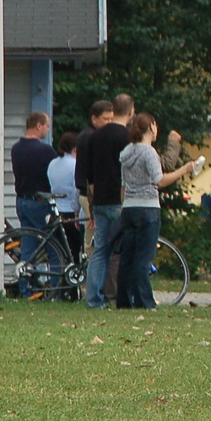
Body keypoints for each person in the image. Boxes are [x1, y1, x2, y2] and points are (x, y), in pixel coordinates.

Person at [117, 113, 202, 310]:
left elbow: (123, 184)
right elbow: (159, 180)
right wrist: (185, 169)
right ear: (152, 128)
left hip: (129, 206)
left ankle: (124, 300)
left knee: (128, 256)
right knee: (144, 257)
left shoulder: (127, 152)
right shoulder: (149, 152)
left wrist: (125, 204)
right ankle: (144, 301)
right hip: (148, 207)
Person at [80, 96, 132, 309]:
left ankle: (93, 298)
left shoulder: (94, 137)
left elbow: (89, 175)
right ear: (130, 112)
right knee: (125, 249)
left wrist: (93, 202)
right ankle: (124, 296)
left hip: (100, 199)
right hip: (120, 200)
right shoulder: (128, 137)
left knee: (100, 250)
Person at [10, 111, 58, 267]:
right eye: (47, 126)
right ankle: (56, 287)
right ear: (39, 125)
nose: (48, 130)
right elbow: (55, 174)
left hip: (22, 201)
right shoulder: (45, 151)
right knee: (55, 247)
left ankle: (27, 287)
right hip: (40, 203)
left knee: (28, 247)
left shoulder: (16, 149)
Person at [47, 131, 83, 270]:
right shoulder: (75, 164)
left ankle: (60, 287)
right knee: (74, 253)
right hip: (70, 211)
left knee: (59, 253)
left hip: (56, 210)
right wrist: (77, 209)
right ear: (75, 149)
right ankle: (73, 289)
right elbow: (76, 189)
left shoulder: (53, 164)